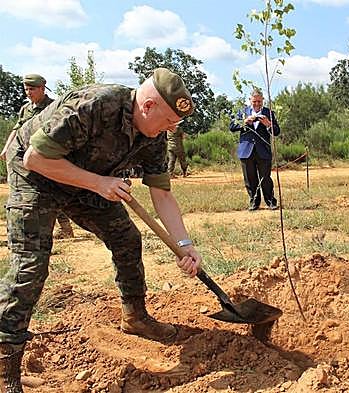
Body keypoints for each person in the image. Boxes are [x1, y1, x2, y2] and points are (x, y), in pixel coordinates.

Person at [0, 68, 201, 392]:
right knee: (30, 266)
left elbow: (162, 193)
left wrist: (184, 243)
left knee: (127, 239)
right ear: (148, 106)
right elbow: (36, 157)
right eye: (166, 122)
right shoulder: (95, 105)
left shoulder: (154, 135)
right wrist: (98, 183)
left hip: (88, 182)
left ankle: (134, 317)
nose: (168, 130)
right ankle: (6, 369)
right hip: (35, 176)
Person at [0, 74, 74, 239]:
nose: (28, 92)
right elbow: (16, 129)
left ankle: (65, 227)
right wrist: (7, 148)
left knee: (52, 190)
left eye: (32, 88)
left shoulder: (54, 106)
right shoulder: (25, 109)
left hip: (46, 155)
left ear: (42, 88)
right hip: (25, 157)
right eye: (26, 89)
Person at [229, 89, 280, 211]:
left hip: (263, 151)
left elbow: (277, 131)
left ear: (263, 100)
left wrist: (268, 124)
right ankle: (254, 203)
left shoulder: (269, 113)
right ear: (250, 100)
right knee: (250, 179)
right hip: (246, 151)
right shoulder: (242, 112)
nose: (257, 104)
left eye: (259, 101)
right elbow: (232, 127)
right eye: (254, 101)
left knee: (265, 178)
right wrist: (244, 122)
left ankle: (271, 202)